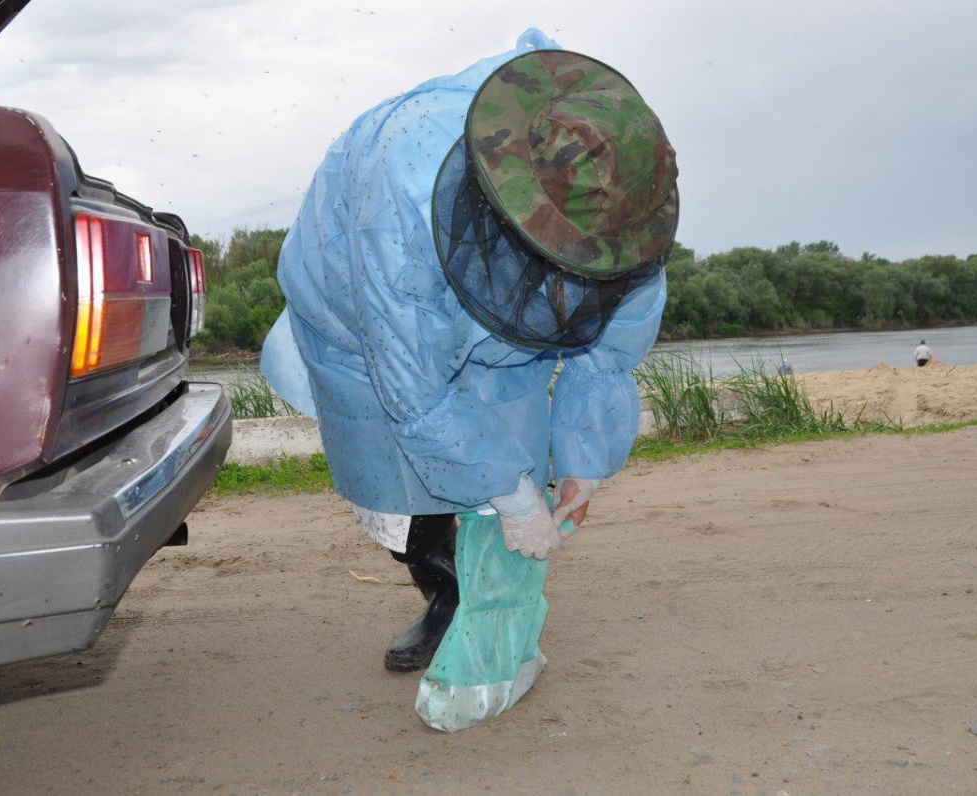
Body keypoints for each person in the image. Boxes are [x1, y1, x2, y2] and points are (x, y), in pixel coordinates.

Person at [260, 29, 676, 673]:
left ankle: (488, 597)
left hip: (448, 301)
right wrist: (510, 498)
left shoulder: (622, 188)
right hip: (361, 314)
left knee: (511, 452)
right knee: (403, 487)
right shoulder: (401, 194)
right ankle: (443, 588)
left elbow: (613, 348)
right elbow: (415, 393)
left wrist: (584, 460)